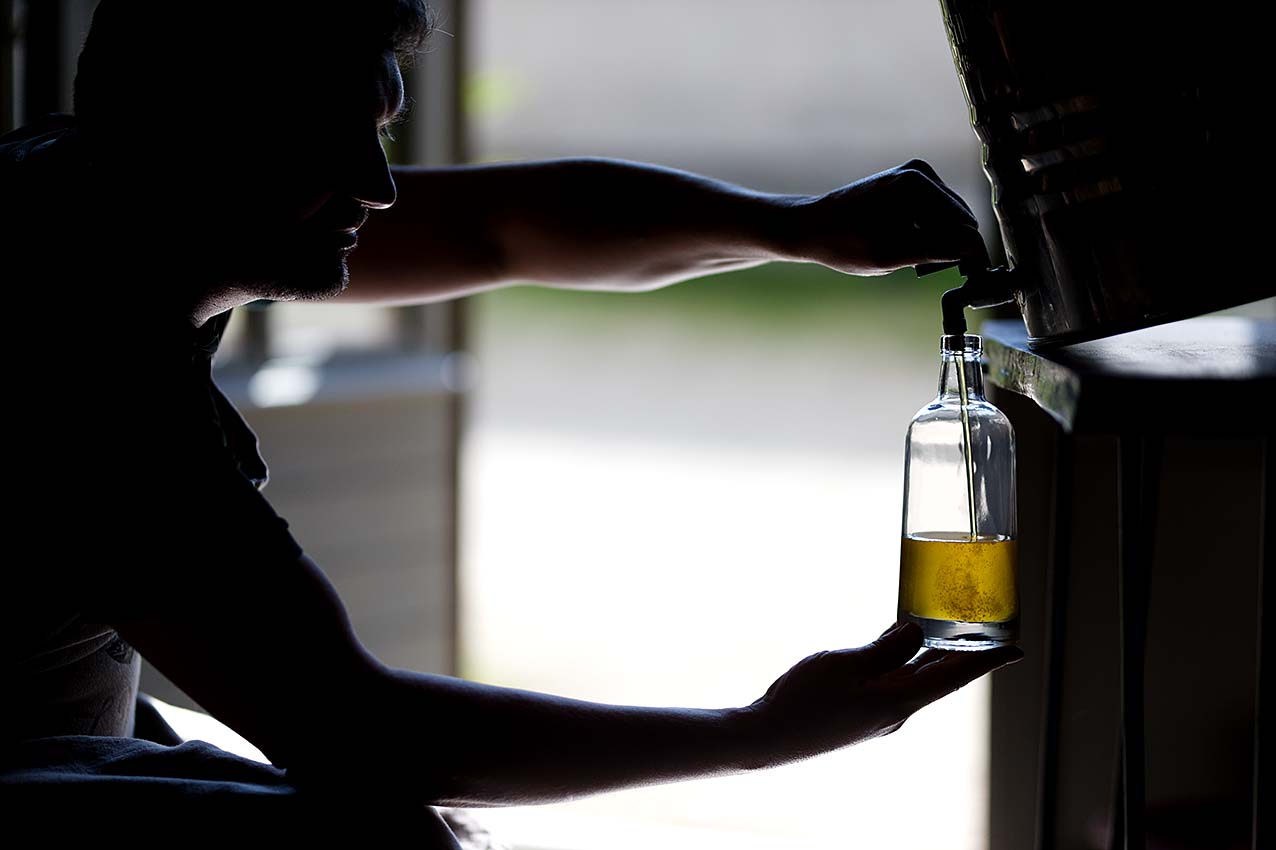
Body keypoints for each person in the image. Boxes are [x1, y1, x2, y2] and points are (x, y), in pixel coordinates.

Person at [1, 1, 1018, 843]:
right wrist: (759, 733)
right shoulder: (83, 350)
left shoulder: (85, 183)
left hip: (57, 735)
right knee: (393, 836)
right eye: (323, 138)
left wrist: (791, 227)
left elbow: (501, 225)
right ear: (192, 129)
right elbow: (357, 729)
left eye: (381, 130)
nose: (377, 183)